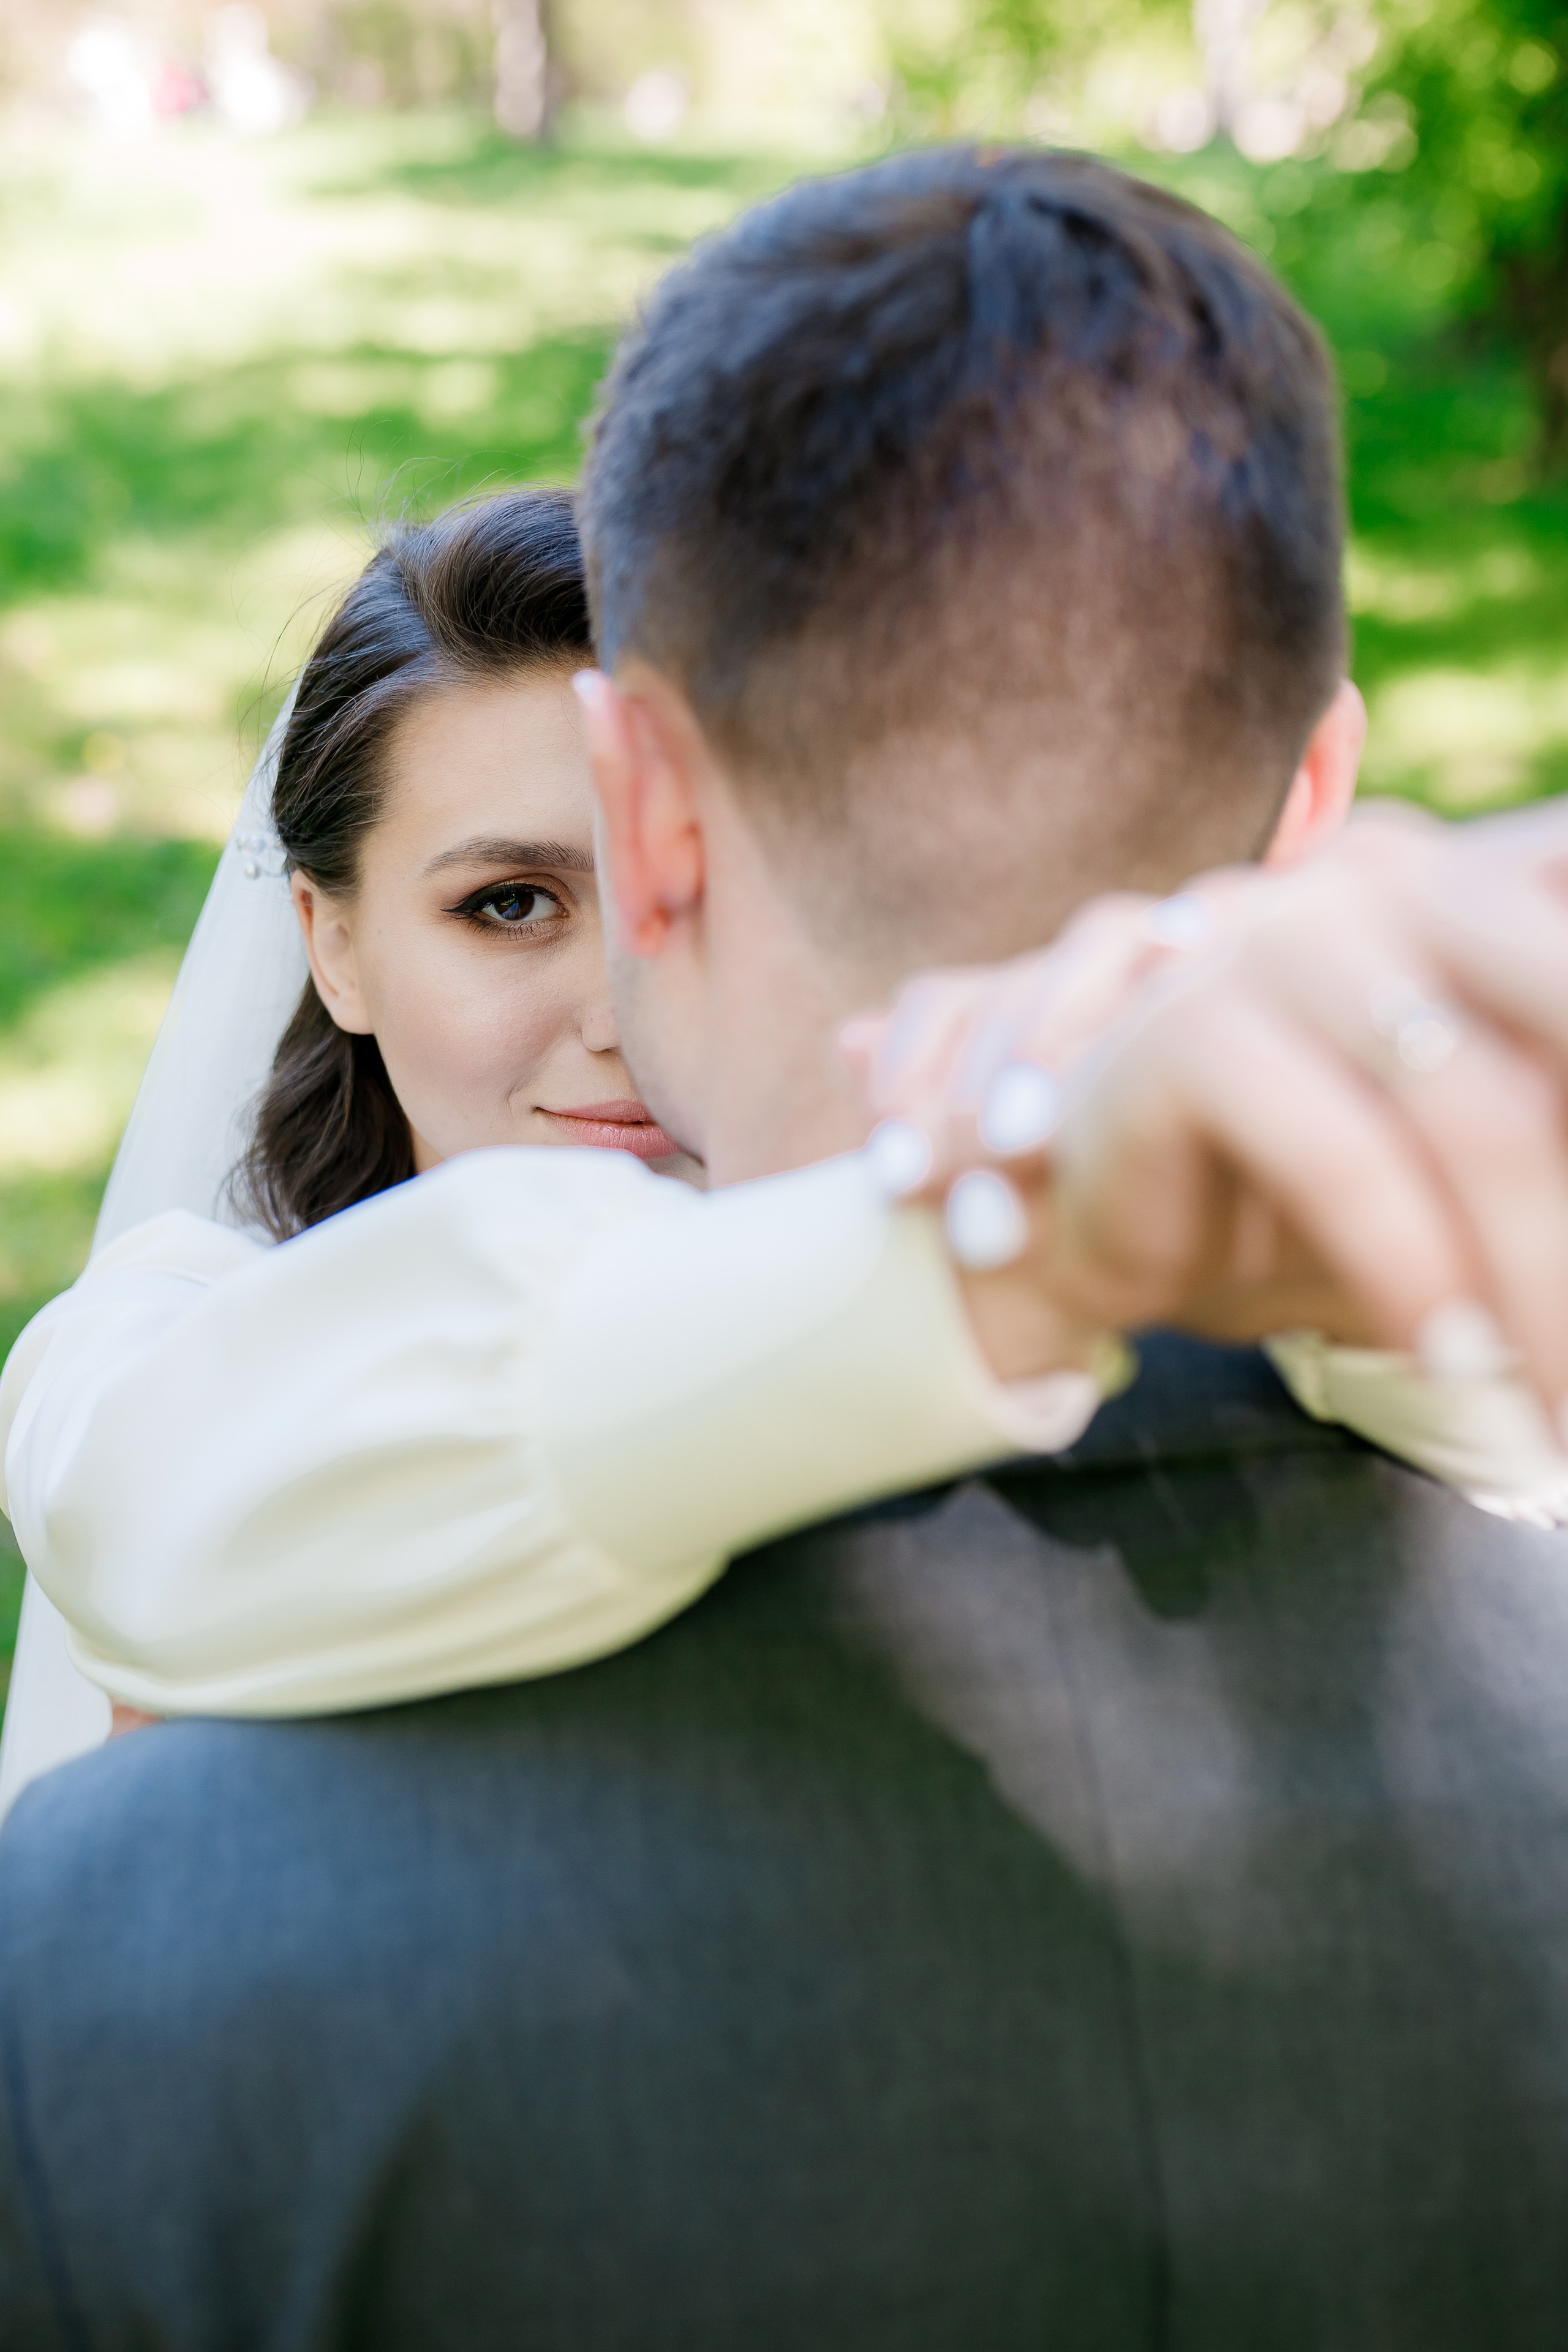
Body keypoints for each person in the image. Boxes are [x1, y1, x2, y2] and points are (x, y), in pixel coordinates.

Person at [3, 146, 1568, 2347]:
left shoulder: (90, 1988)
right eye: (487, 902)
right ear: (1314, 804)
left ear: (654, 820)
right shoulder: (183, 1378)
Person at [2, 483, 1562, 1750]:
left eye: (695, 890)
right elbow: (153, 1500)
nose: (615, 1007)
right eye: (510, 903)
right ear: (330, 942)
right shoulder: (149, 1346)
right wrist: (1015, 1234)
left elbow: (1487, 1445)